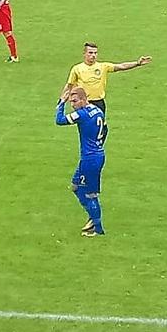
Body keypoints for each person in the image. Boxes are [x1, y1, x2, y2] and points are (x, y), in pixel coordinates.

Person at [56, 86, 108, 237]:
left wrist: (61, 102)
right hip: (95, 156)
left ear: (83, 99)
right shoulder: (97, 110)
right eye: (71, 102)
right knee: (75, 186)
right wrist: (98, 145)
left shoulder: (82, 114)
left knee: (91, 194)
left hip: (90, 159)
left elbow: (59, 120)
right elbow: (105, 129)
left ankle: (97, 229)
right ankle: (92, 217)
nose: (72, 105)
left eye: (74, 101)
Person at [62, 42, 152, 114]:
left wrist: (137, 63)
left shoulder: (103, 66)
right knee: (86, 128)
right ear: (84, 54)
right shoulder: (77, 68)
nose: (93, 55)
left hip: (99, 102)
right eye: (90, 53)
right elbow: (69, 85)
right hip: (84, 103)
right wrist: (62, 100)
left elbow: (121, 66)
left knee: (101, 128)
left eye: (95, 53)